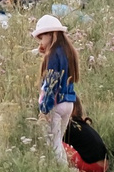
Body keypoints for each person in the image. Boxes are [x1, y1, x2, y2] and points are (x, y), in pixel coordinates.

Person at [33, 14, 80, 159]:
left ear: (51, 34)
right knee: (58, 142)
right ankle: (63, 168)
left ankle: (61, 170)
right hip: (69, 102)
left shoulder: (53, 54)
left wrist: (44, 108)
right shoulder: (68, 51)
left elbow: (51, 83)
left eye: (42, 37)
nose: (41, 41)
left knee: (53, 145)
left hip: (56, 104)